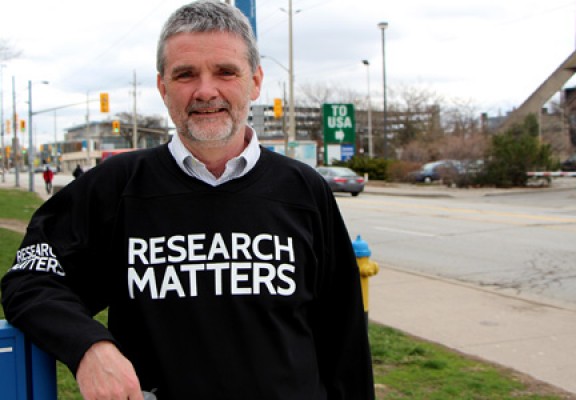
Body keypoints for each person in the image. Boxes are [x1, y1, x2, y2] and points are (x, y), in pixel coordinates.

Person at [1, 1, 374, 399]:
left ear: (255, 81)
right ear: (163, 87)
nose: (205, 91)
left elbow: (344, 340)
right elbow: (30, 279)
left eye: (225, 72)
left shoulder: (303, 190)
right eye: (185, 75)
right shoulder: (116, 187)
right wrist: (90, 347)